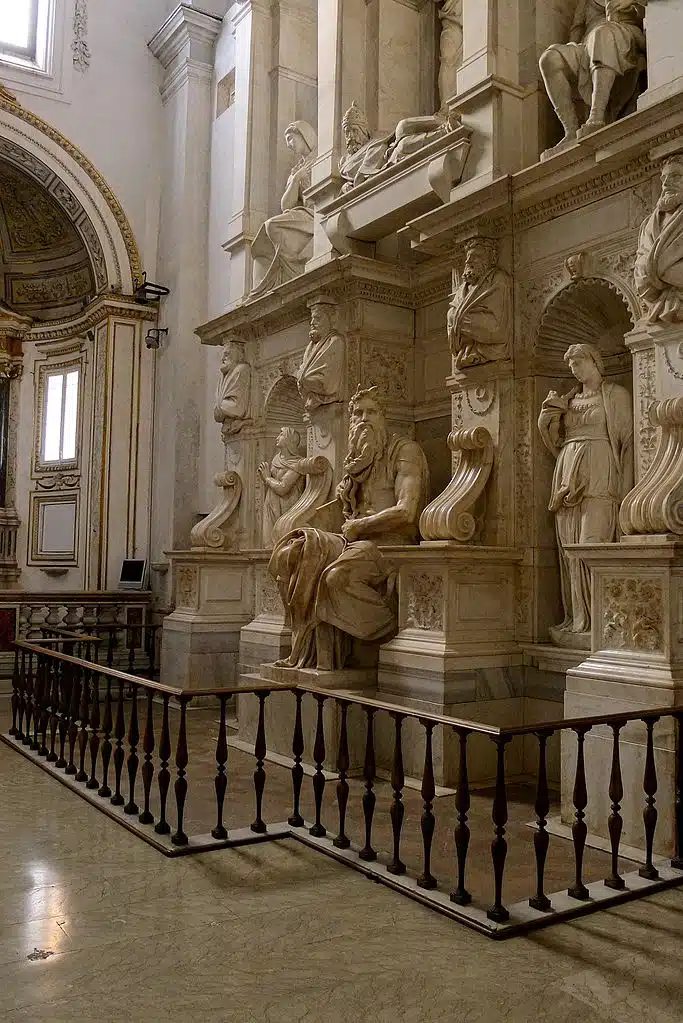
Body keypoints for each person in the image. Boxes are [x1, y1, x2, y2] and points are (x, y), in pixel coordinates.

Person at [268, 386, 429, 669]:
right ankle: (303, 646)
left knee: (335, 577)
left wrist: (360, 524)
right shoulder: (357, 461)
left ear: (384, 417)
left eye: (371, 412)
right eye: (358, 413)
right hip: (354, 542)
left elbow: (407, 511)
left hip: (389, 545)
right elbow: (340, 515)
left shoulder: (404, 451)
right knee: (289, 555)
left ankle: (390, 628)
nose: (364, 418)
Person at [538, 343, 633, 647]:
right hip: (567, 472)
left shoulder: (615, 394)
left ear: (596, 361)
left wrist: (627, 489)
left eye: (579, 362)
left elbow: (628, 442)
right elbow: (554, 441)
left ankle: (605, 619)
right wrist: (547, 418)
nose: (575, 369)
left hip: (601, 471)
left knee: (594, 543)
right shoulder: (568, 399)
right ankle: (579, 620)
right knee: (569, 550)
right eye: (571, 365)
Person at [539, 1, 647, 159]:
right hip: (587, 45)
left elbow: (654, 11)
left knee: (602, 35)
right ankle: (571, 131)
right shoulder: (584, 3)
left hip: (624, 33)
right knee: (549, 58)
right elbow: (575, 34)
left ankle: (597, 116)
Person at [250, 121, 317, 293]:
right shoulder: (296, 170)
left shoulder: (321, 157)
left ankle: (286, 272)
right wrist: (295, 180)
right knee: (264, 237)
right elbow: (285, 205)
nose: (289, 144)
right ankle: (261, 288)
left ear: (304, 136)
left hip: (316, 212)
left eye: (291, 139)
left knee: (272, 225)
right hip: (302, 213)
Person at [447, 238, 511, 369]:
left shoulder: (498, 279)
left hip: (492, 335)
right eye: (468, 257)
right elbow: (452, 315)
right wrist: (458, 317)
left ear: (490, 259)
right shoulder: (462, 288)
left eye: (475, 256)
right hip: (469, 340)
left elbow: (497, 329)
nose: (468, 261)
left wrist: (459, 319)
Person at [634, 154, 683, 324]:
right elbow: (640, 274)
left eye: (676, 176)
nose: (666, 183)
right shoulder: (648, 224)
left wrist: (656, 269)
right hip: (659, 302)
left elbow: (648, 267)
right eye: (664, 178)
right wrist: (663, 269)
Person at [258, 428, 307, 548]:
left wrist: (267, 478)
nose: (277, 437)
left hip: (287, 505)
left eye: (281, 434)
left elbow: (283, 488)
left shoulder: (297, 463)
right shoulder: (276, 459)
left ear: (289, 440)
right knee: (269, 543)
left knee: (283, 541)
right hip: (271, 504)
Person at [296, 298, 344, 412]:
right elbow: (302, 377)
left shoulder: (335, 341)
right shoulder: (310, 347)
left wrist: (304, 380)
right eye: (312, 318)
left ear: (330, 320)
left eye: (317, 318)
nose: (312, 323)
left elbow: (325, 383)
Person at [213, 341, 250, 440]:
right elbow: (218, 414)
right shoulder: (224, 376)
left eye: (227, 354)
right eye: (222, 355)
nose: (222, 359)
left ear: (237, 355)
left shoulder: (241, 369)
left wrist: (220, 408)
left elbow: (237, 407)